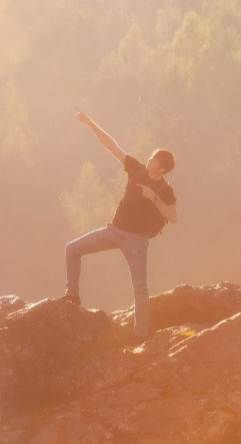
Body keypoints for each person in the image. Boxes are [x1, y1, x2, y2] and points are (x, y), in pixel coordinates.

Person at [60, 108, 177, 342]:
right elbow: (111, 145)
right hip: (114, 231)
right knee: (72, 249)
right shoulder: (136, 168)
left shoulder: (165, 190)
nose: (149, 159)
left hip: (137, 241)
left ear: (162, 168)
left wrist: (152, 197)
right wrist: (89, 122)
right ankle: (72, 296)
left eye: (154, 159)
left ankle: (140, 336)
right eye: (151, 156)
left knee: (140, 288)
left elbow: (173, 216)